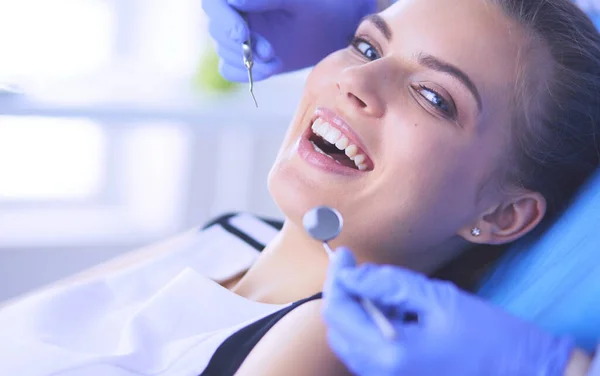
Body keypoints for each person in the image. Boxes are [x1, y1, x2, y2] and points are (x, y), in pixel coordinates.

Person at [1, 0, 599, 375]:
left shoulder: (322, 340)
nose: (357, 80)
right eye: (367, 44)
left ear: (501, 215)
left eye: (435, 97)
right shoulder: (229, 233)